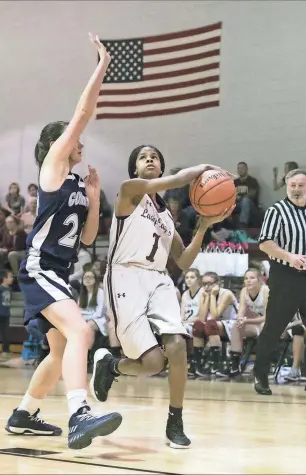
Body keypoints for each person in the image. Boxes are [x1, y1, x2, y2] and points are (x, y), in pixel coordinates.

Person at [5, 33, 122, 450]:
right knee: (82, 331)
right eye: (73, 138)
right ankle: (79, 414)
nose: (80, 142)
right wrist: (102, 64)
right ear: (61, 143)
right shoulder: (53, 166)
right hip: (40, 268)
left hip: (58, 271)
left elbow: (89, 238)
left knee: (59, 351)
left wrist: (93, 201)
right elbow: (84, 110)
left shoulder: (74, 181)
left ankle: (24, 414)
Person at [89, 144, 233, 448]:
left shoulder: (166, 217)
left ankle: (175, 419)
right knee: (153, 363)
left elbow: (183, 261)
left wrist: (204, 227)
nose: (150, 159)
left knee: (178, 346)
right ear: (135, 169)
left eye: (154, 156)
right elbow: (176, 181)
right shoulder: (129, 191)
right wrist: (199, 170)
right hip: (125, 275)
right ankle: (111, 366)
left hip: (158, 279)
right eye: (143, 157)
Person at [254, 169, 306, 395]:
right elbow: (265, 243)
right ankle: (261, 375)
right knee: (274, 328)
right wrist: (289, 256)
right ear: (287, 185)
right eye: (293, 185)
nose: (296, 189)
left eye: (301, 185)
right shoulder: (277, 211)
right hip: (285, 277)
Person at [192, 272, 238, 376]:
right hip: (215, 324)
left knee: (211, 324)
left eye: (210, 284)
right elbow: (202, 318)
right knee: (198, 326)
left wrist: (212, 295)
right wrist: (206, 297)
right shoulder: (203, 293)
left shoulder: (226, 294)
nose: (207, 287)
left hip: (232, 323)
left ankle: (217, 365)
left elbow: (214, 315)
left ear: (218, 284)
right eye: (204, 284)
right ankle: (198, 366)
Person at [228, 268, 268, 377]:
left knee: (266, 328)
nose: (248, 281)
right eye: (246, 278)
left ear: (259, 279)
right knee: (237, 326)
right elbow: (240, 311)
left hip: (268, 323)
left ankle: (261, 365)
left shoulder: (265, 291)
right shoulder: (244, 291)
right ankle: (235, 365)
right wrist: (240, 320)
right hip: (254, 323)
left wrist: (247, 320)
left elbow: (267, 317)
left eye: (252, 278)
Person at [79, 269, 107, 348]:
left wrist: (84, 318)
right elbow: (79, 311)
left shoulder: (100, 293)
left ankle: (88, 352)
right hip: (86, 318)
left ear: (95, 279)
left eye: (90, 277)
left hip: (101, 319)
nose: (87, 279)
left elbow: (99, 313)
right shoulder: (82, 294)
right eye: (85, 277)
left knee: (89, 325)